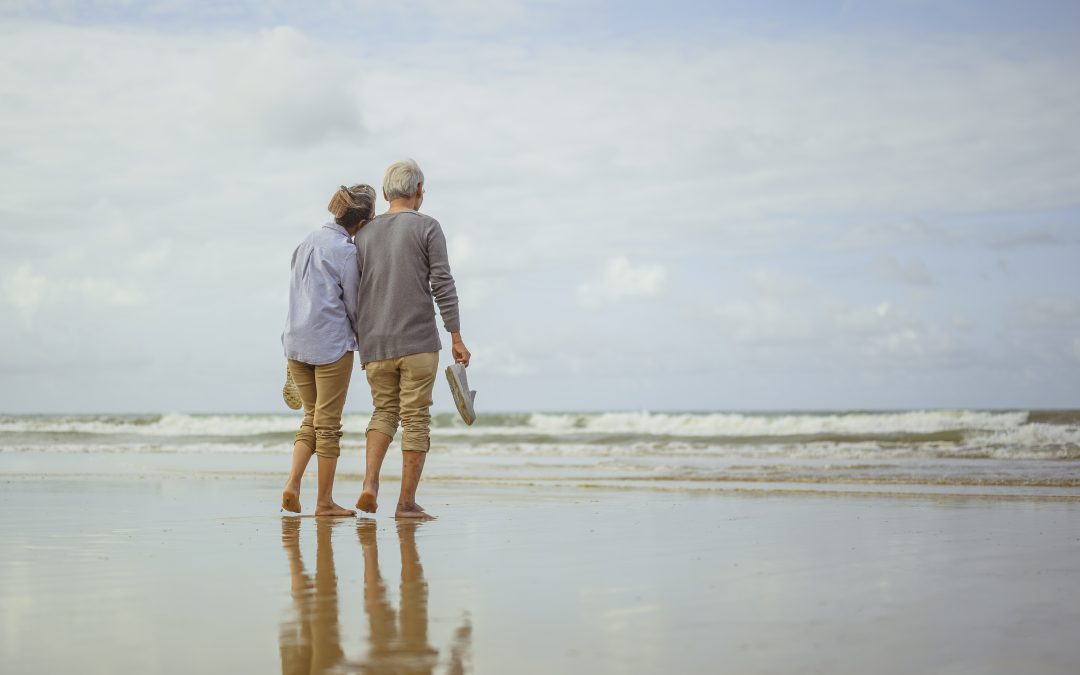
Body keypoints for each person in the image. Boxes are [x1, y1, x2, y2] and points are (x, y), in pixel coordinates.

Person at [353, 159, 471, 519]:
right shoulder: (428, 227)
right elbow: (442, 285)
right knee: (416, 419)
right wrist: (456, 336)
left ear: (386, 191)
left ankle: (369, 485)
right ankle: (405, 503)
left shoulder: (363, 234)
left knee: (383, 412)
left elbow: (352, 289)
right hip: (418, 340)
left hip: (375, 343)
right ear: (419, 191)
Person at [281, 184, 377, 516]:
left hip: (295, 341)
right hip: (329, 344)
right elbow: (353, 304)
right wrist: (365, 343)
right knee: (328, 424)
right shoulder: (345, 251)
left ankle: (292, 485)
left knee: (312, 418)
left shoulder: (307, 241)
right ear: (364, 222)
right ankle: (324, 502)